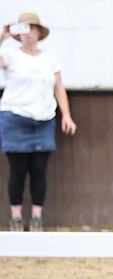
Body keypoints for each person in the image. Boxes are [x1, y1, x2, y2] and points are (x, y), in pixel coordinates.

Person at [0, 13, 76, 231]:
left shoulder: (49, 59)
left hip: (43, 119)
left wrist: (67, 115)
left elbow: (58, 87)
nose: (27, 33)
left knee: (39, 170)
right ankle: (15, 218)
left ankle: (36, 218)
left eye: (31, 28)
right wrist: (2, 36)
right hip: (15, 118)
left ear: (39, 32)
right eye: (22, 28)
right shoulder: (9, 54)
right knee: (18, 170)